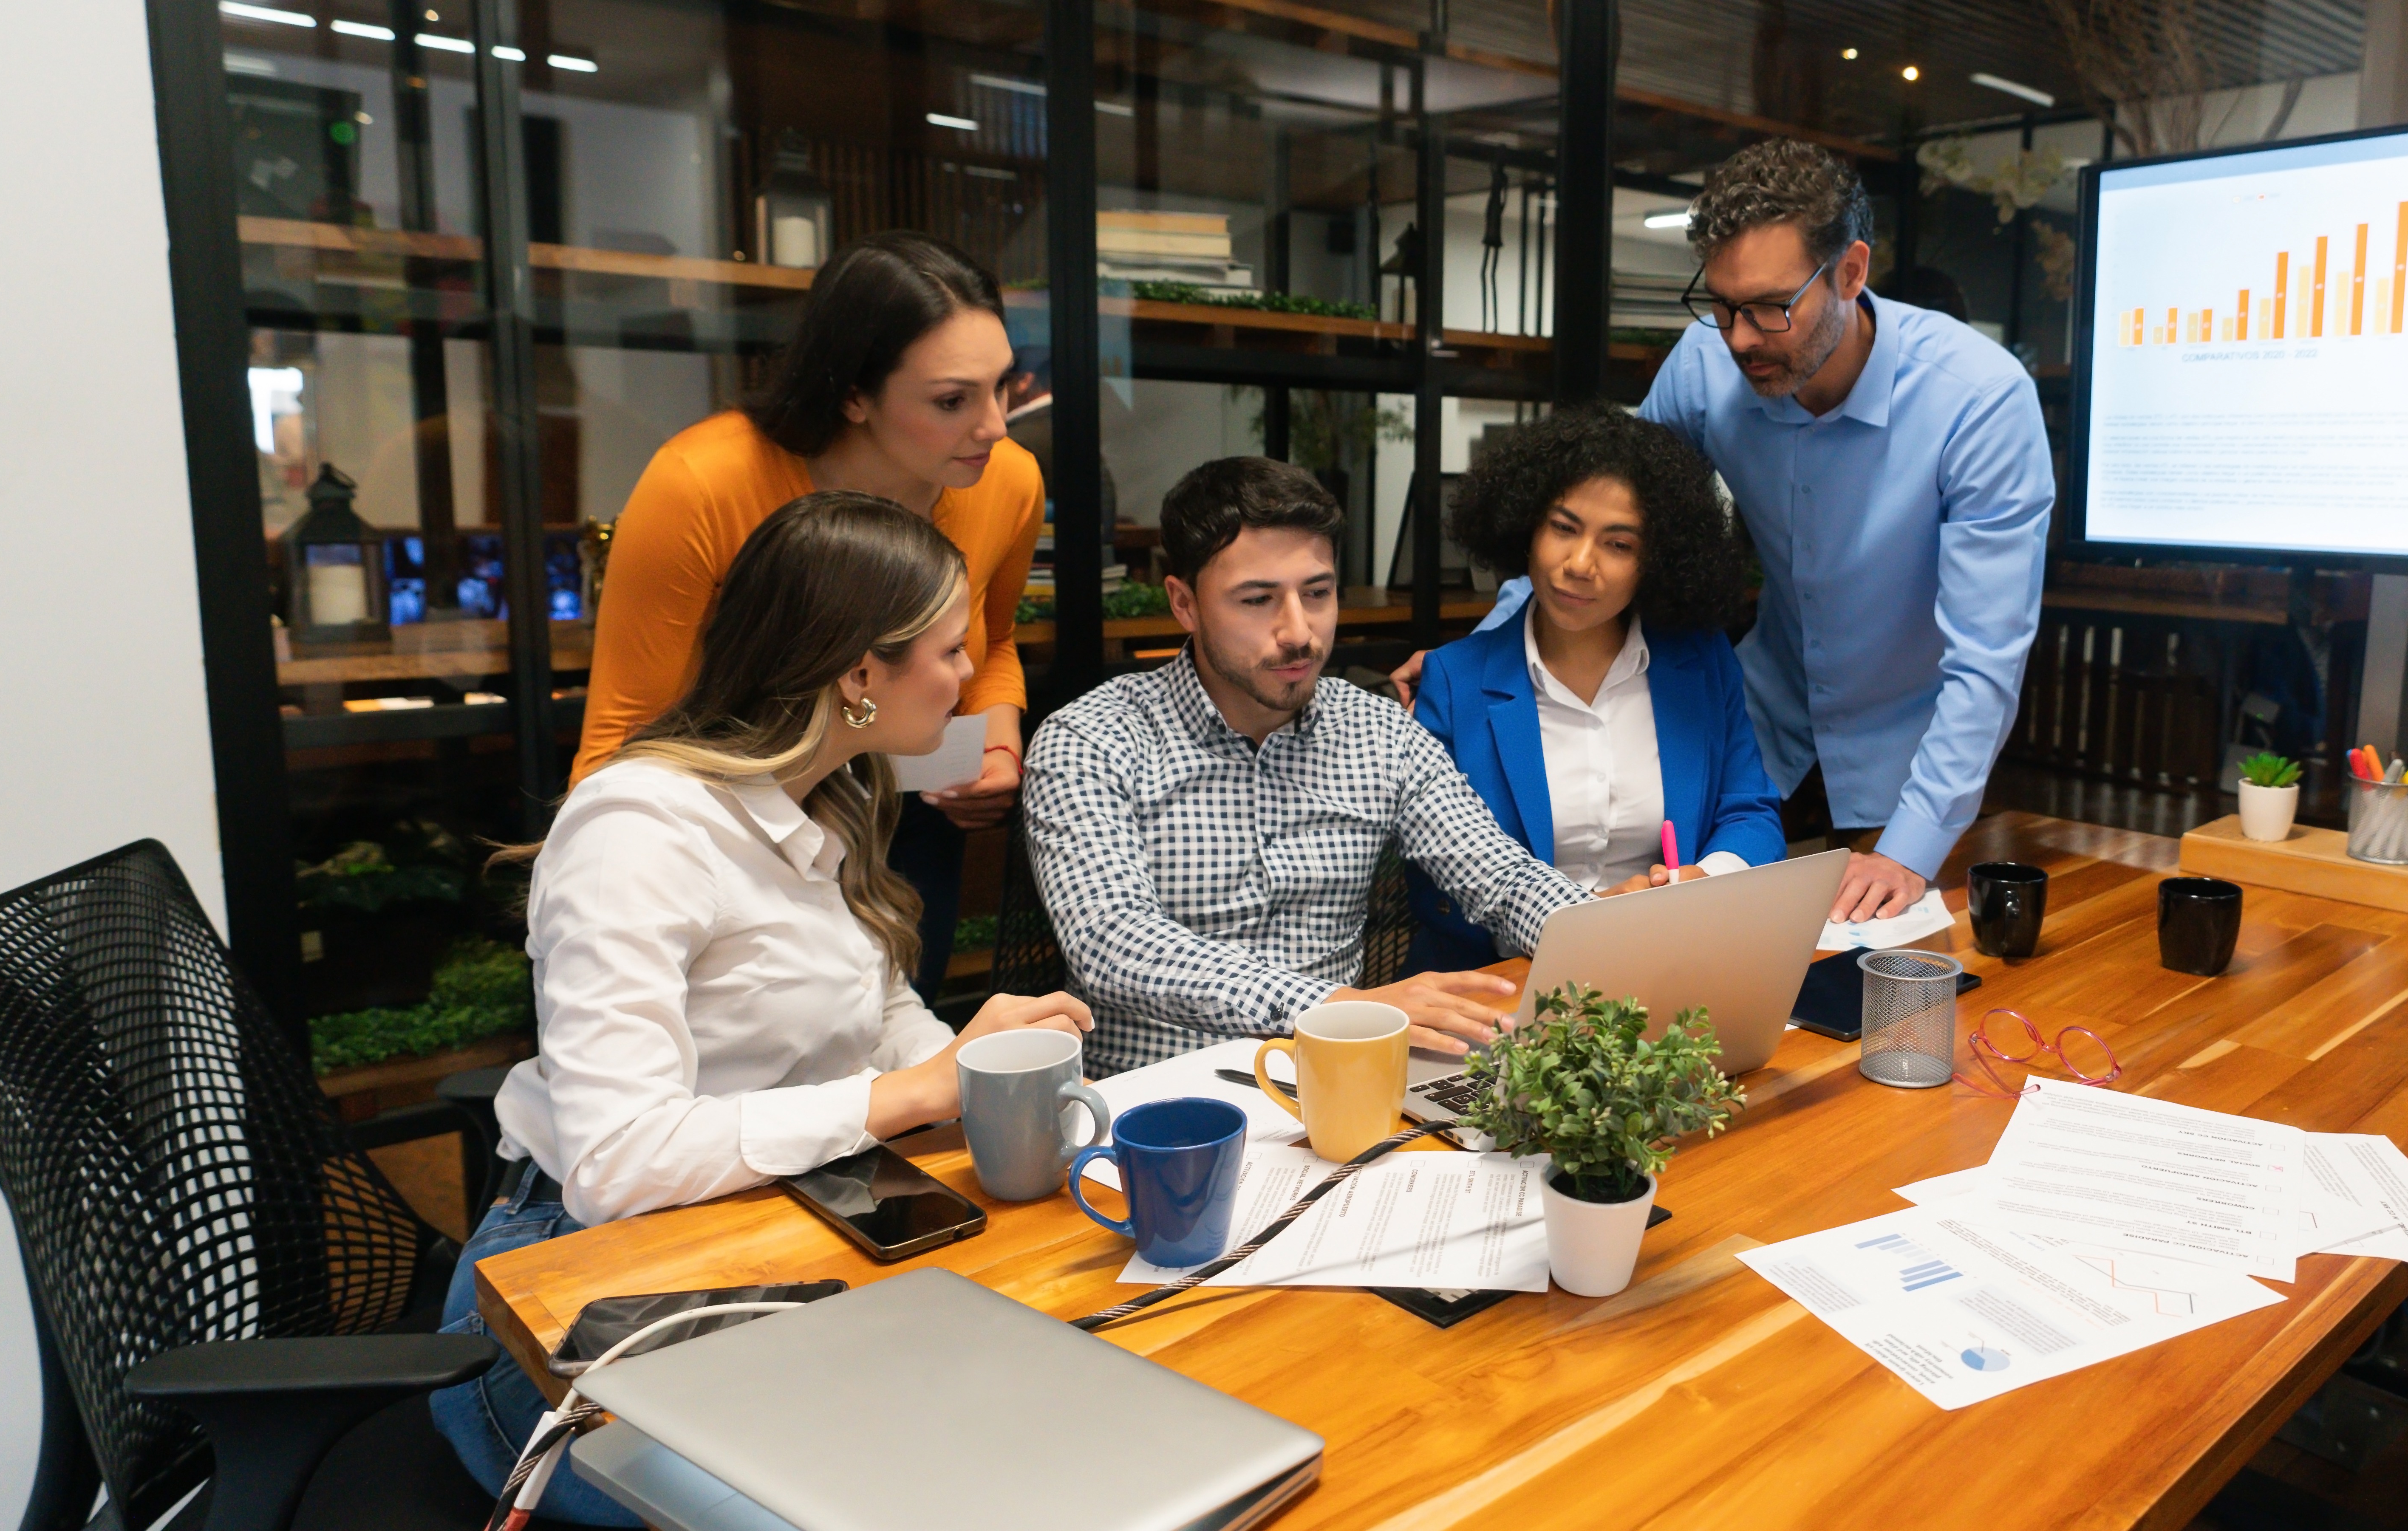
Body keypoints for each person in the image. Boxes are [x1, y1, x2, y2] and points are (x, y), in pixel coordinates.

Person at [434, 492, 1095, 1524]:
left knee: (1029, 1406)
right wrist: (901, 1095)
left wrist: (969, 1062)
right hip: (558, 1319)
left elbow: (876, 1017)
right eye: (952, 649)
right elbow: (618, 1165)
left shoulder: (824, 794)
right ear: (859, 672)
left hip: (760, 1238)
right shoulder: (640, 830)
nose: (973, 678)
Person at [1399, 140, 2054, 925]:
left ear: (1851, 272)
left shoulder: (1978, 402)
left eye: (1772, 307)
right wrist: (1477, 660)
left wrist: (1911, 849)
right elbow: (1604, 509)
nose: (1741, 338)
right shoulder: (1706, 364)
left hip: (1913, 760)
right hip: (1762, 721)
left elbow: (1986, 660)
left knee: (1888, 989)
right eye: (1722, 304)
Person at [1024, 458, 1624, 1076]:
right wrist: (1335, 1008)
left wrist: (1613, 940)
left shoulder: (1377, 731)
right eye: (1258, 600)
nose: (1299, 631)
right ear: (1184, 604)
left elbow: (1500, 875)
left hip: (1338, 1090)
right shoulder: (1091, 740)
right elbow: (1113, 942)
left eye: (1318, 593)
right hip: (1156, 1111)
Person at [576, 231, 1043, 999]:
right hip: (729, 834)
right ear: (853, 394)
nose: (995, 425)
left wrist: (998, 744)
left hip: (907, 816)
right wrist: (614, 904)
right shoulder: (704, 484)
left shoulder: (1007, 483)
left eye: (1004, 387)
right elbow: (624, 734)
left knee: (897, 1050)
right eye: (954, 401)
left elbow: (993, 644)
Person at [1401, 405, 1785, 974]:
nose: (1581, 565)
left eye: (1619, 545)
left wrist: (1701, 883)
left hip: (1670, 966)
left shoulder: (1701, 663)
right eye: (1564, 528)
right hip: (1502, 988)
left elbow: (1750, 812)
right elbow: (1436, 877)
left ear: (1655, 562)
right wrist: (1580, 922)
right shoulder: (1453, 682)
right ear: (1527, 529)